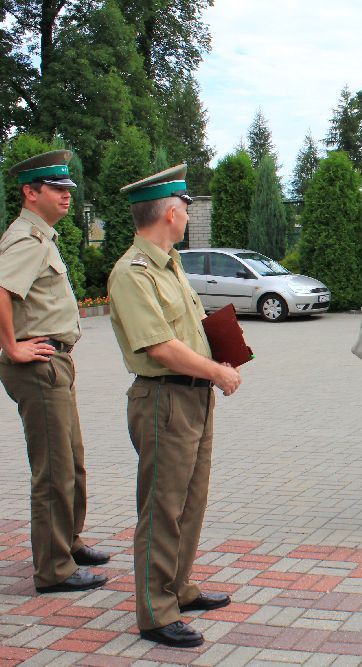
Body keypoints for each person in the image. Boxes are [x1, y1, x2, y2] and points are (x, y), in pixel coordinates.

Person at [108, 165, 242, 648]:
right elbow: (160, 347)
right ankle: (155, 610)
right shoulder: (133, 272)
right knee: (162, 507)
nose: (188, 211)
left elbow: (191, 325)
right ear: (170, 210)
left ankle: (179, 587)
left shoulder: (169, 262)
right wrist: (218, 372)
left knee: (190, 500)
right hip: (164, 398)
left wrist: (222, 350)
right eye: (185, 205)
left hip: (193, 396)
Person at [0, 150, 110, 594]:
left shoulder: (42, 237)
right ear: (31, 193)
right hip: (39, 366)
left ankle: (69, 542)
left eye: (68, 189)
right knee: (54, 470)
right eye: (57, 189)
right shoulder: (24, 240)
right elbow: (2, 290)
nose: (66, 196)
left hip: (56, 362)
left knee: (72, 462)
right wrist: (11, 346)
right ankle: (54, 569)